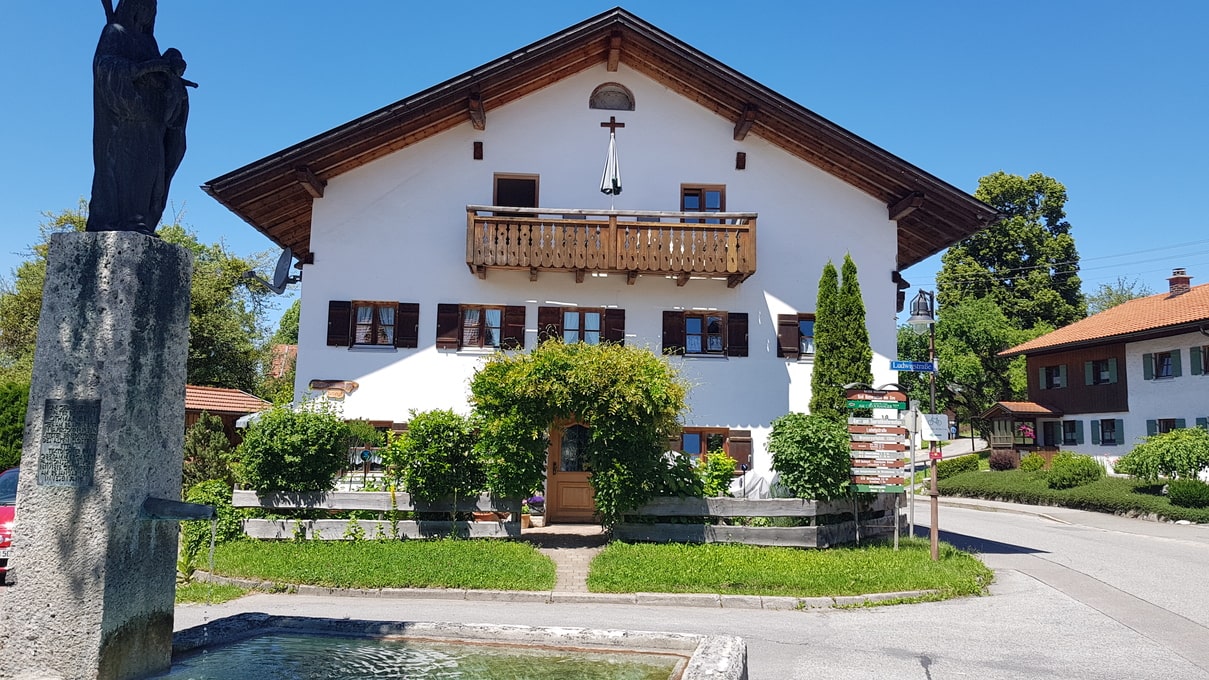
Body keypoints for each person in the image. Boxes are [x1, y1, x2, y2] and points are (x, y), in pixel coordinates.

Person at [87, 0, 193, 234]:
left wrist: (171, 74)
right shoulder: (114, 32)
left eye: (151, 9)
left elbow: (162, 71)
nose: (147, 13)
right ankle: (122, 220)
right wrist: (140, 69)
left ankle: (141, 218)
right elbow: (105, 66)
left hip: (153, 120)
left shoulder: (149, 41)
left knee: (153, 171)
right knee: (124, 169)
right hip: (125, 120)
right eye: (143, 6)